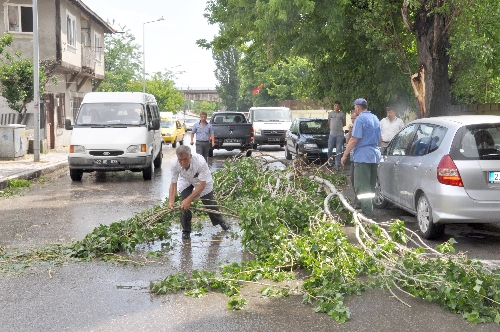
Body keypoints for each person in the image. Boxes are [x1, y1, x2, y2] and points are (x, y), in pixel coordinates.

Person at [168, 145, 230, 240]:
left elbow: (202, 185)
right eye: (180, 160)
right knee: (184, 205)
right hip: (186, 180)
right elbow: (173, 184)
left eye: (185, 159)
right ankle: (186, 230)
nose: (182, 162)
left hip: (201, 181)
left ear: (190, 156)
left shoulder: (200, 162)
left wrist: (189, 199)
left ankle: (220, 221)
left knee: (209, 202)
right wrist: (171, 201)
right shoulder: (174, 164)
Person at [340, 98, 381, 219]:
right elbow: (380, 140)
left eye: (354, 108)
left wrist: (345, 155)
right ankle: (369, 208)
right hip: (374, 156)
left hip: (362, 157)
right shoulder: (375, 118)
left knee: (361, 186)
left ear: (358, 107)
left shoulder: (360, 119)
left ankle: (367, 212)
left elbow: (353, 139)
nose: (354, 110)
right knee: (371, 185)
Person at [345, 111, 360, 208]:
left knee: (358, 180)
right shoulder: (353, 128)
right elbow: (347, 141)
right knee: (353, 179)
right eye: (351, 119)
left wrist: (344, 155)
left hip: (359, 157)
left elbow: (355, 141)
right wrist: (349, 131)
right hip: (353, 157)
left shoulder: (359, 126)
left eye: (354, 118)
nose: (353, 120)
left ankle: (359, 201)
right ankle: (356, 199)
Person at [327, 101, 346, 169]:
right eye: (335, 106)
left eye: (338, 106)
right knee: (330, 149)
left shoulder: (342, 114)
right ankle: (330, 162)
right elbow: (329, 123)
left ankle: (337, 163)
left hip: (340, 134)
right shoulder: (330, 114)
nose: (336, 107)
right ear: (334, 106)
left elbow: (344, 124)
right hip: (332, 134)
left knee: (338, 150)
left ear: (339, 106)